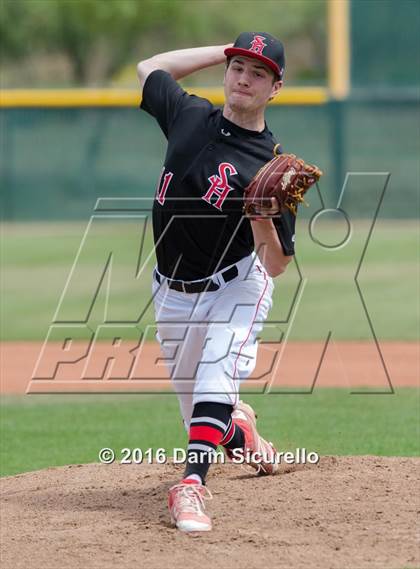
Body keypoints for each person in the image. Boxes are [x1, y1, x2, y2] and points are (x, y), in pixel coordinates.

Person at [137, 32, 296, 533]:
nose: (244, 79)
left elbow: (275, 265)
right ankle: (239, 433)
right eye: (238, 68)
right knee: (204, 419)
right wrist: (224, 49)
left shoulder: (272, 168)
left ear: (276, 87)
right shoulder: (188, 115)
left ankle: (191, 488)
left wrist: (264, 217)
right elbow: (150, 65)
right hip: (171, 292)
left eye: (258, 73)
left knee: (215, 377)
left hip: (237, 286)